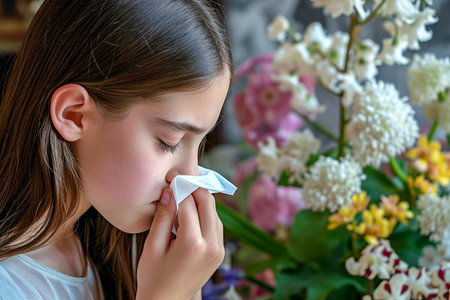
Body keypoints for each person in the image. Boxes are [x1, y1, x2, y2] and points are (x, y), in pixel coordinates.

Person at [0, 0, 233, 299]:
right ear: (74, 114)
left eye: (198, 146)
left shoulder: (103, 252)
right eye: (169, 142)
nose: (188, 177)